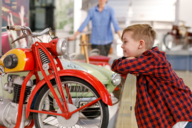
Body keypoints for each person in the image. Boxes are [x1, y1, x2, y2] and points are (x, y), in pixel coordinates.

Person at [111, 24, 192, 128]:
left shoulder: (153, 58)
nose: (122, 45)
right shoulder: (143, 62)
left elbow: (120, 66)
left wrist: (126, 61)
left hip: (181, 118)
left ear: (141, 44)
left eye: (125, 41)